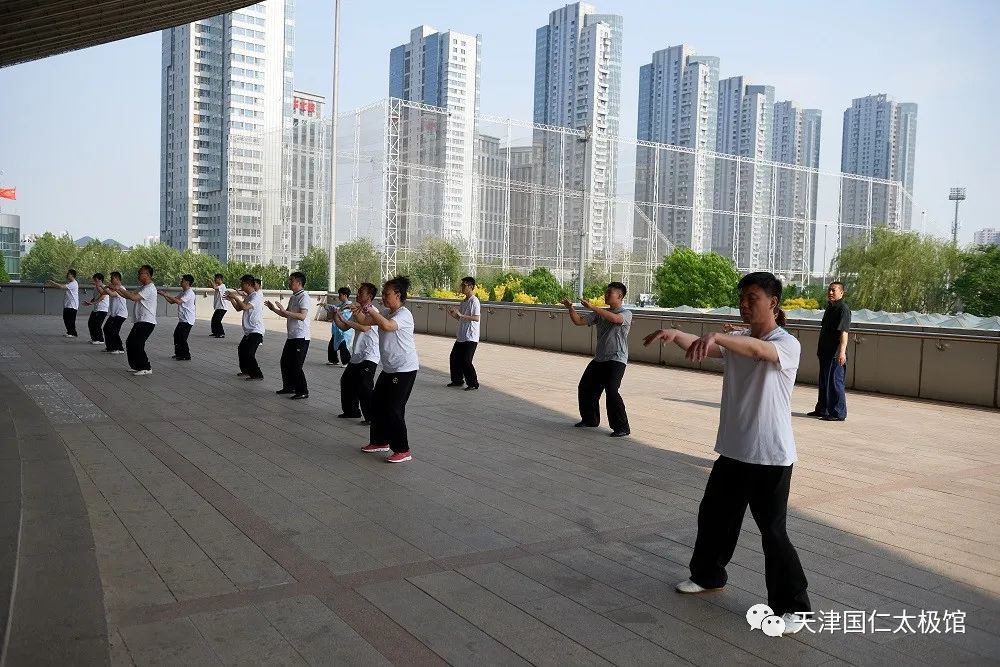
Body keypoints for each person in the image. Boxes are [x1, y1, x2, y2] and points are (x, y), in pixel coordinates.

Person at [643, 271, 810, 635]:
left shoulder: (786, 343)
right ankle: (708, 576)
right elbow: (708, 345)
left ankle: (794, 606)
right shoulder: (736, 339)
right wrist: (675, 335)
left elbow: (757, 350)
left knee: (773, 532)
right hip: (734, 452)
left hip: (770, 457)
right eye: (742, 297)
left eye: (753, 297)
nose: (745, 304)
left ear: (773, 303)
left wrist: (718, 335)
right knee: (715, 518)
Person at [560, 282, 633, 438]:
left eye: (609, 293)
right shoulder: (600, 313)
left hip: (616, 359)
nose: (606, 295)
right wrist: (570, 308)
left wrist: (593, 307)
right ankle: (590, 419)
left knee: (612, 391)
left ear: (619, 296)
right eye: (605, 292)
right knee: (586, 387)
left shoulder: (626, 313)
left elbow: (615, 319)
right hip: (600, 359)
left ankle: (622, 427)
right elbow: (578, 321)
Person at [359, 276, 418, 463]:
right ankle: (380, 441)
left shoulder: (403, 314)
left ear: (398, 295)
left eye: (387, 294)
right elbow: (365, 322)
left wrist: (371, 310)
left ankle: (403, 449)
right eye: (383, 294)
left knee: (394, 408)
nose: (383, 297)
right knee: (376, 404)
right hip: (390, 369)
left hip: (404, 369)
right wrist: (356, 310)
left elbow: (386, 326)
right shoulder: (386, 311)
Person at [333, 282, 380, 424]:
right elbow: (344, 327)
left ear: (370, 296)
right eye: (358, 292)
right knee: (347, 381)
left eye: (361, 292)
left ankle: (371, 417)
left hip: (370, 354)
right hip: (357, 355)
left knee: (364, 385)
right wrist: (336, 315)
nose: (358, 294)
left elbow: (364, 327)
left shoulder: (373, 311)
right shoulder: (357, 310)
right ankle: (351, 411)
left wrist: (349, 316)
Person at [808, 282, 850, 422]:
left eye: (833, 290)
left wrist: (842, 352)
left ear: (841, 293)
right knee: (824, 381)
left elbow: (844, 332)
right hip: (825, 352)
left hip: (835, 353)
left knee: (835, 381)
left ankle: (838, 412)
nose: (830, 292)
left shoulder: (843, 309)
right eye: (829, 290)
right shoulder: (830, 308)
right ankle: (823, 409)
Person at [267, 271, 312, 399]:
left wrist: (284, 311)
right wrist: (274, 310)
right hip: (292, 336)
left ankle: (303, 391)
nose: (289, 282)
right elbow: (285, 313)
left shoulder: (304, 297)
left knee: (296, 365)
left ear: (299, 282)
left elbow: (302, 316)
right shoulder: (294, 297)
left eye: (291, 280)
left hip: (301, 336)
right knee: (285, 362)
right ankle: (289, 387)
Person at [109, 265, 157, 376]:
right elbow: (128, 295)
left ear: (147, 274)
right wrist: (117, 289)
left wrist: (119, 288)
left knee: (137, 344)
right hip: (140, 321)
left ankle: (146, 367)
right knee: (130, 342)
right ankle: (136, 366)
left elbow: (133, 298)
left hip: (147, 321)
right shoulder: (143, 287)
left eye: (140, 273)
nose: (138, 275)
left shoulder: (150, 288)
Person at [225, 274, 265, 381]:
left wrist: (235, 297)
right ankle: (246, 371)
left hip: (256, 330)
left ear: (248, 284)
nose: (240, 286)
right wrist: (232, 300)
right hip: (249, 331)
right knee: (242, 349)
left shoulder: (256, 296)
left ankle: (257, 374)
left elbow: (244, 307)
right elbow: (239, 308)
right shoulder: (249, 296)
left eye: (242, 283)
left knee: (249, 353)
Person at [447, 277, 481, 390]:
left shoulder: (474, 301)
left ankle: (473, 383)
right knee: (454, 358)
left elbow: (476, 318)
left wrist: (461, 315)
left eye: (464, 285)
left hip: (471, 337)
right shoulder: (464, 301)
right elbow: (461, 318)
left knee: (466, 360)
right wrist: (454, 314)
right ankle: (457, 380)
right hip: (461, 336)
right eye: (462, 285)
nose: (462, 287)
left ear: (471, 287)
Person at [158, 274, 196, 361]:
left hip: (188, 319)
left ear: (187, 282)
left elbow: (178, 301)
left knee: (182, 337)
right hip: (183, 319)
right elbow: (172, 301)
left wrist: (166, 294)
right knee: (177, 335)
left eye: (182, 281)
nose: (180, 282)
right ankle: (178, 353)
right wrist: (164, 295)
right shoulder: (183, 292)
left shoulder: (189, 293)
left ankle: (186, 355)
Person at [325, 287, 354, 366]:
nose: (339, 296)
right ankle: (333, 360)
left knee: (343, 346)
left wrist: (338, 311)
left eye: (340, 295)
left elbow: (346, 316)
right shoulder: (340, 305)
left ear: (345, 295)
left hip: (345, 330)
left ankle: (347, 361)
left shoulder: (349, 306)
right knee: (332, 345)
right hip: (337, 329)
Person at [47, 269, 80, 337]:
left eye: (69, 274)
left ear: (73, 275)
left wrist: (53, 282)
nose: (67, 275)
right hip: (68, 304)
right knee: (66, 318)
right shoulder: (70, 283)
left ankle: (73, 333)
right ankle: (69, 332)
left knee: (70, 320)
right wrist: (52, 284)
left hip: (72, 305)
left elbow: (61, 286)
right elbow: (60, 286)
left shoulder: (73, 283)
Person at [102, 271, 128, 354]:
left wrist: (102, 285)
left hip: (121, 314)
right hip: (114, 314)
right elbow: (103, 292)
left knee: (114, 330)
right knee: (106, 328)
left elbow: (112, 294)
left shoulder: (122, 288)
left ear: (117, 279)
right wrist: (99, 285)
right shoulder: (113, 288)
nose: (111, 280)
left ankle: (119, 348)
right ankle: (110, 347)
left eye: (112, 278)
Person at [83, 273, 109, 345]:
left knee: (97, 324)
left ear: (100, 280)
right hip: (96, 309)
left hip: (102, 309)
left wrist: (93, 303)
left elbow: (103, 296)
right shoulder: (95, 287)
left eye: (95, 280)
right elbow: (95, 297)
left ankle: (100, 340)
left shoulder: (104, 287)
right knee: (90, 323)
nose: (94, 281)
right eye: (94, 279)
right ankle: (94, 338)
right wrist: (90, 302)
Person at [207, 273, 230, 338]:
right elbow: (211, 286)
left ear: (219, 279)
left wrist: (211, 280)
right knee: (214, 320)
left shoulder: (222, 286)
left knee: (217, 320)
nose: (214, 280)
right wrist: (209, 281)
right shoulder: (218, 286)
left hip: (222, 307)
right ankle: (215, 332)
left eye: (215, 278)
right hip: (219, 307)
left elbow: (214, 287)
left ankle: (221, 333)